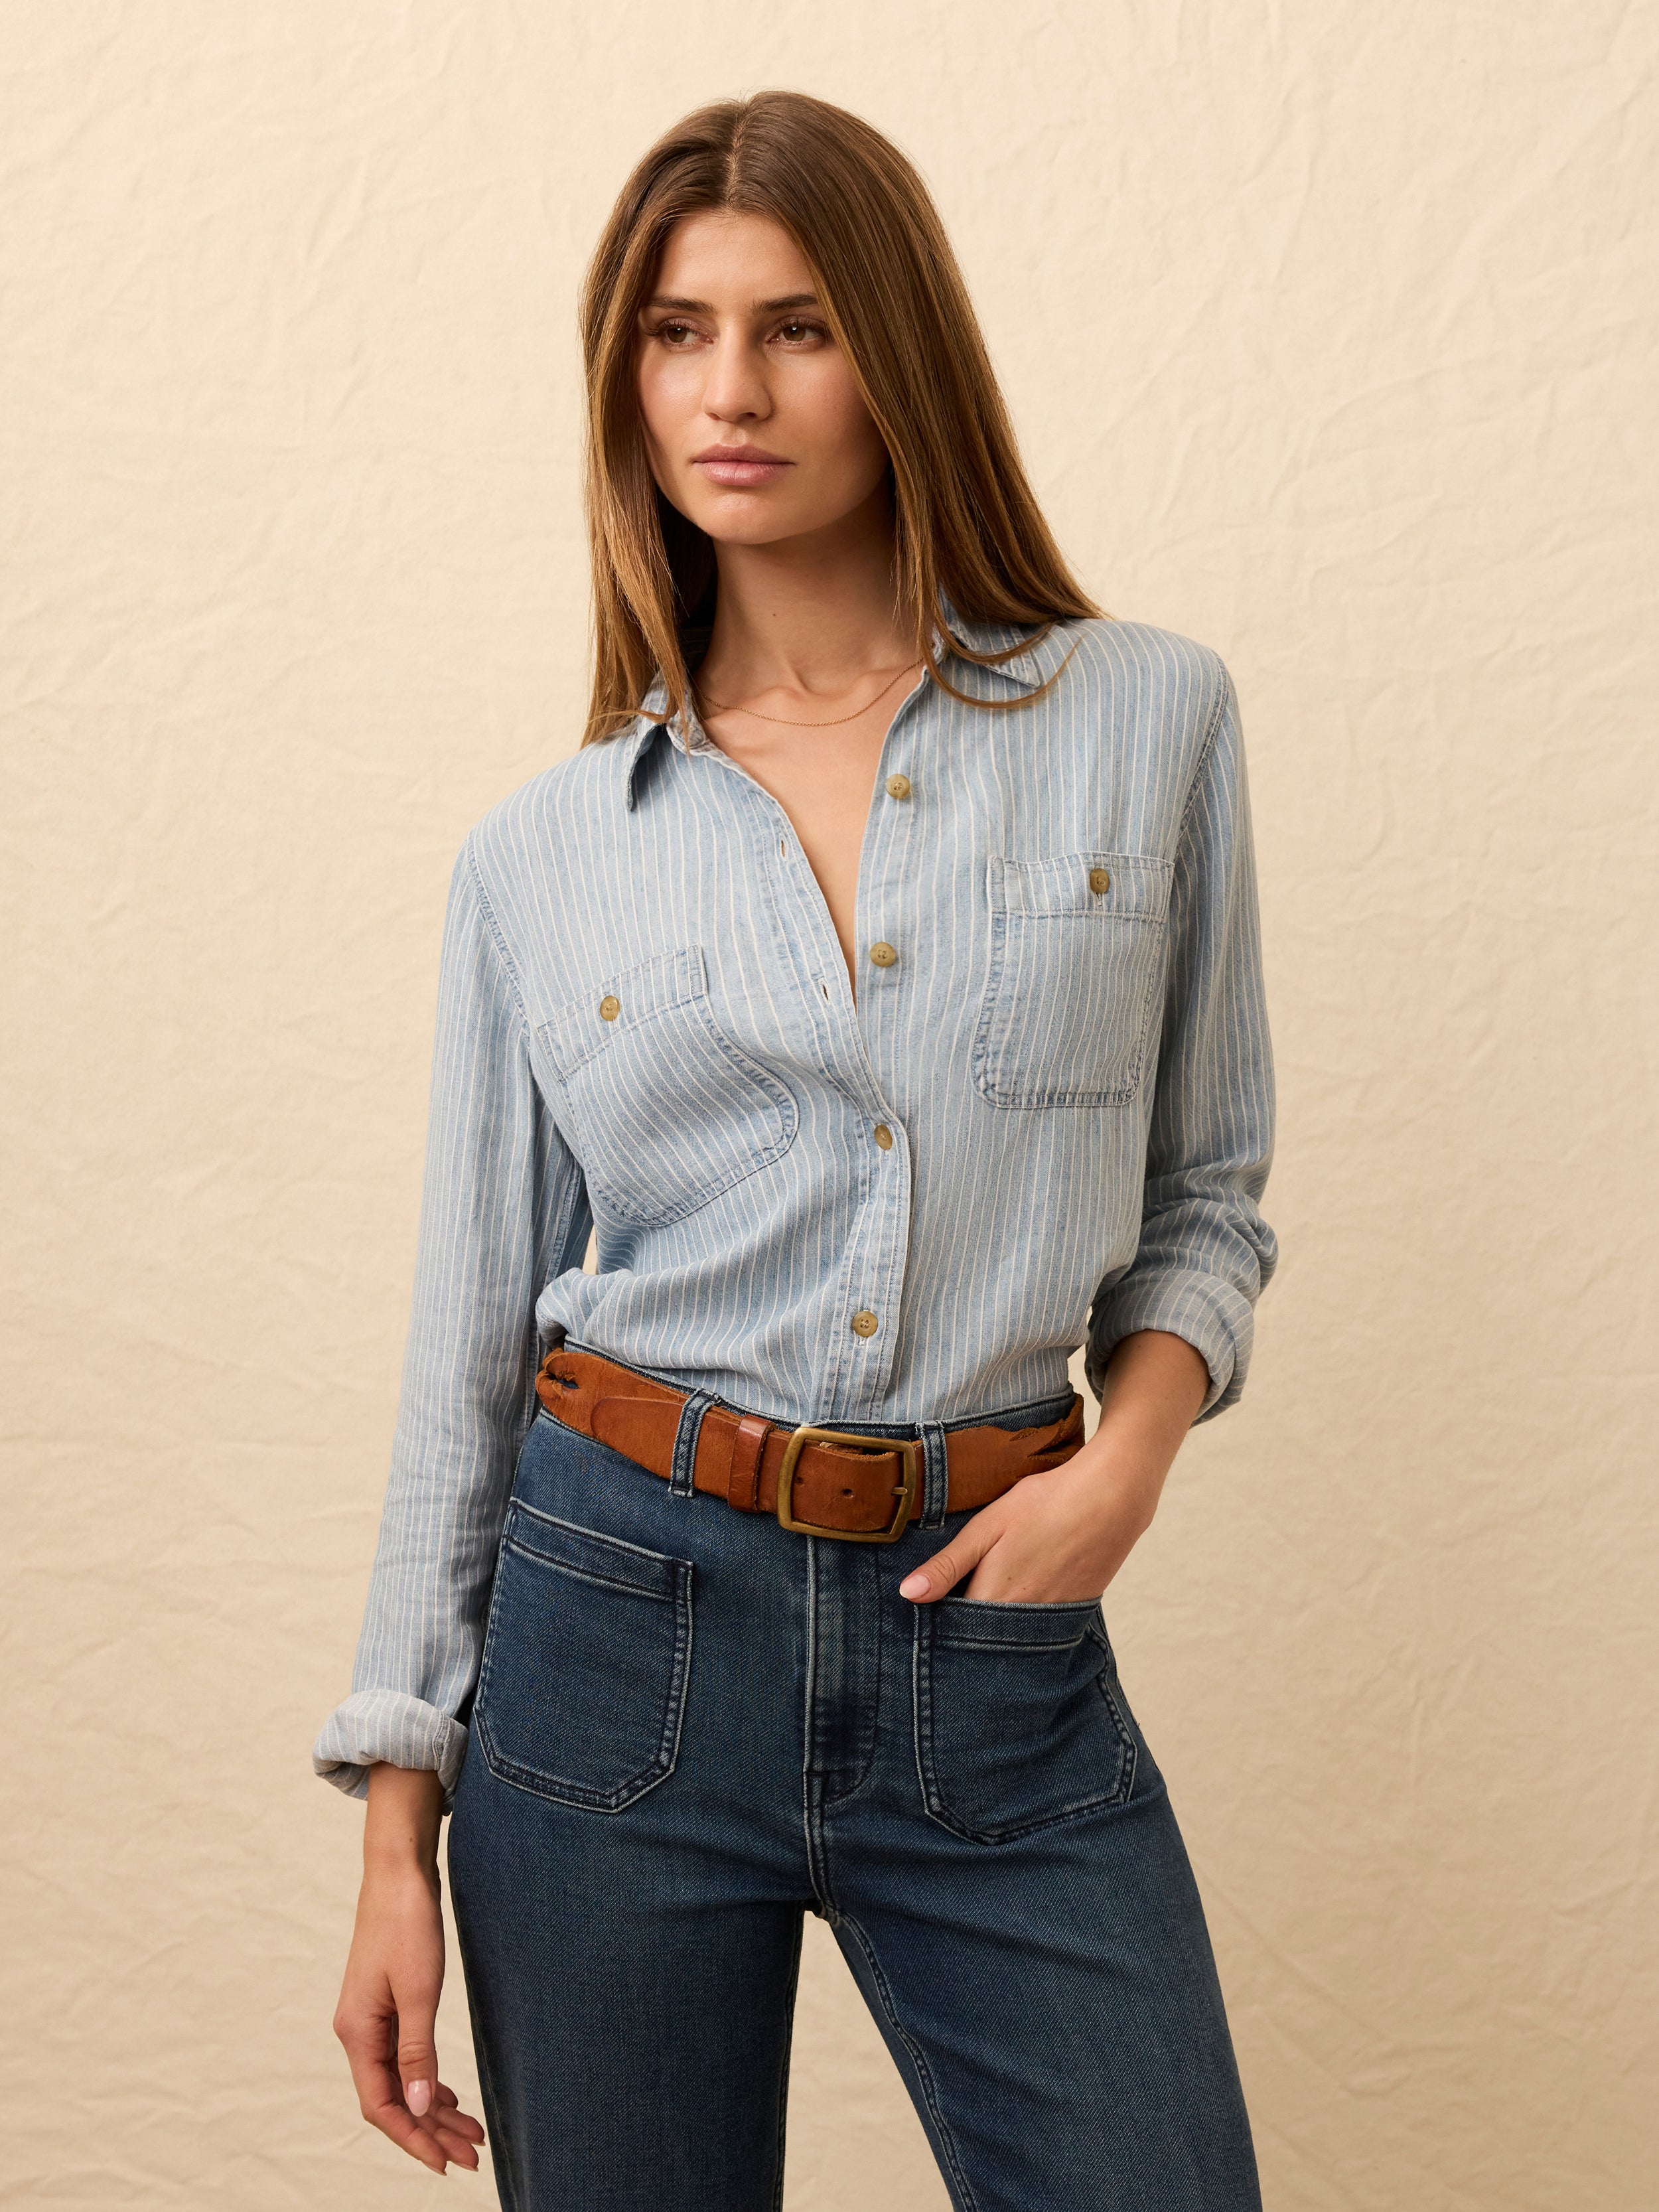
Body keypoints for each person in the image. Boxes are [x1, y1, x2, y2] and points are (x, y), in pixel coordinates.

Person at [315, 88, 1278, 2212]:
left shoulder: (1146, 719)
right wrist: (396, 1830)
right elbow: (467, 1361)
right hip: (613, 1634)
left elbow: (1203, 1199)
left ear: (896, 353)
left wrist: (1123, 1464)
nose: (727, 393)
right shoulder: (541, 854)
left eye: (796, 328)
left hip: (993, 1639)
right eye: (674, 335)